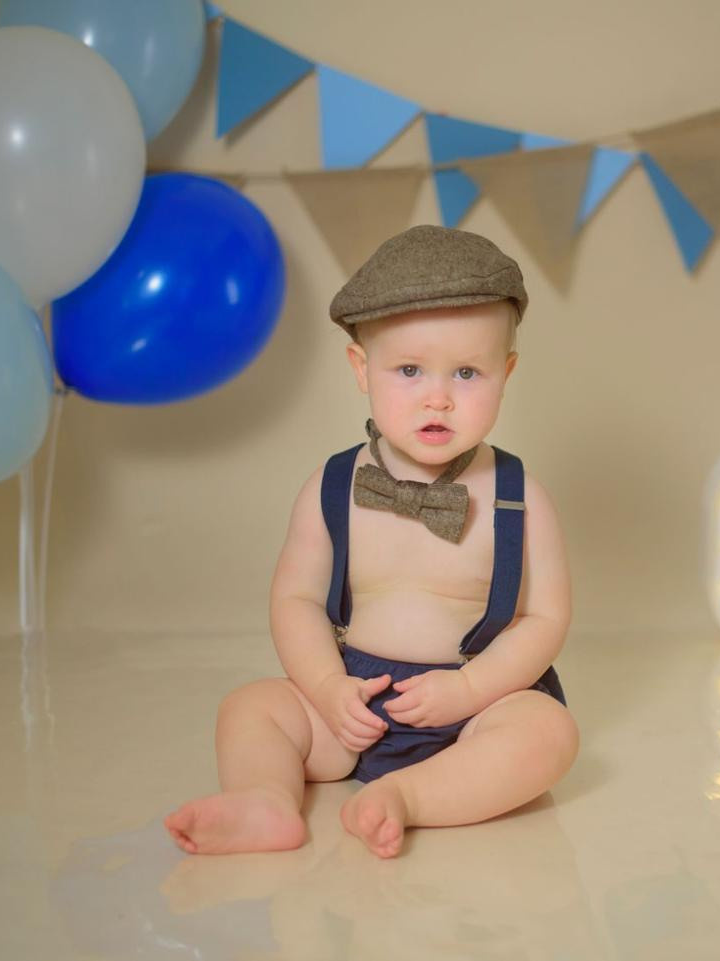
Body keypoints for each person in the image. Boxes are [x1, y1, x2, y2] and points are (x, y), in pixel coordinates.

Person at [165, 225, 578, 858]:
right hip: (355, 701)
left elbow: (545, 618)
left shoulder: (518, 494)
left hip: (478, 700)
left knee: (547, 734)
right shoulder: (332, 485)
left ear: (506, 373)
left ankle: (410, 798)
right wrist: (328, 690)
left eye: (467, 372)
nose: (437, 396)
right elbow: (296, 601)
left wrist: (469, 692)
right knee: (252, 707)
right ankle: (265, 802)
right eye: (409, 370)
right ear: (362, 369)